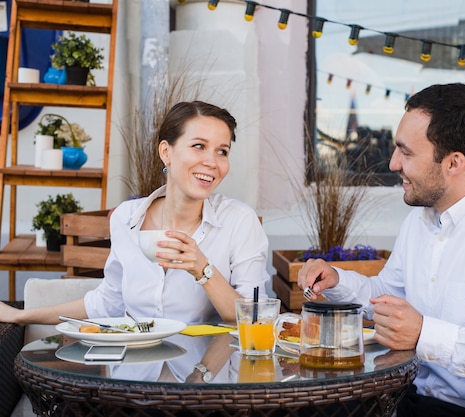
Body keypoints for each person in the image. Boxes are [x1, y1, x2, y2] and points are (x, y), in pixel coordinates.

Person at [298, 83, 465, 416]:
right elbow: (388, 296)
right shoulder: (421, 220)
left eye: (406, 152)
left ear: (454, 163)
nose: (393, 163)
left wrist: (426, 335)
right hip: (401, 397)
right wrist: (337, 280)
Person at [0, 100, 270, 326]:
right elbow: (108, 302)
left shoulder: (239, 222)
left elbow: (255, 317)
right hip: (133, 373)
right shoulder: (127, 218)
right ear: (166, 152)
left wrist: (203, 269)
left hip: (205, 378)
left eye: (222, 151)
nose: (212, 162)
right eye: (198, 146)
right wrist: (23, 316)